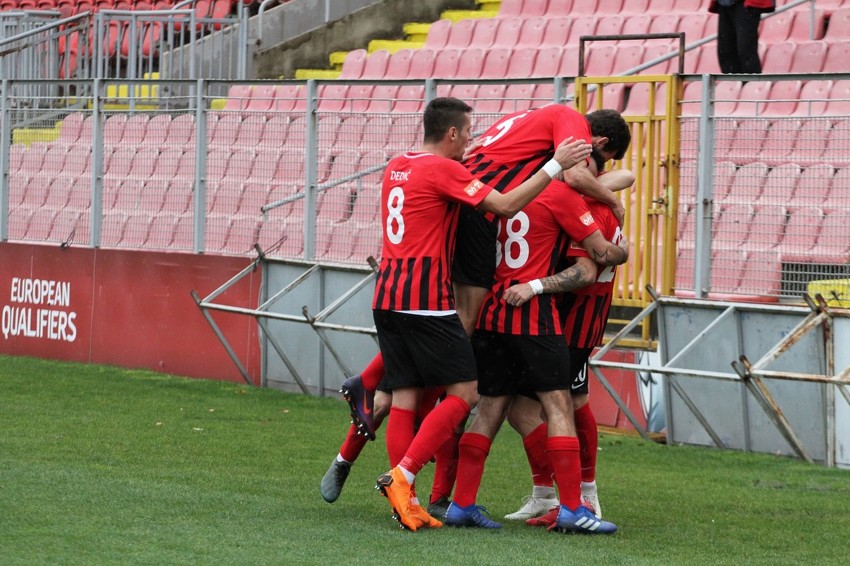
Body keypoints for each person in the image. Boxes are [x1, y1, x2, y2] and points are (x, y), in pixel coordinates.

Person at [339, 106, 631, 447]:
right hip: (486, 219)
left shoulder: (526, 121)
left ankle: (364, 418)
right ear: (597, 140)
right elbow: (574, 183)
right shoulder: (569, 132)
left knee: (415, 389)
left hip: (419, 260)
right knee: (467, 341)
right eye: (601, 158)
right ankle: (577, 494)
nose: (598, 169)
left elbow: (607, 178)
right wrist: (612, 203)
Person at [372, 97, 593, 532]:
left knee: (403, 396)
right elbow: (506, 206)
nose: (472, 141)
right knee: (466, 393)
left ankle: (408, 496)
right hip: (425, 301)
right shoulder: (446, 169)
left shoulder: (397, 163)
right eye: (469, 132)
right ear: (452, 133)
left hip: (386, 297)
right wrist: (553, 165)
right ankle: (404, 476)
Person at [442, 156, 630, 534]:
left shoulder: (500, 197)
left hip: (491, 311)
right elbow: (593, 263)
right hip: (532, 313)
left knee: (491, 407)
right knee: (559, 405)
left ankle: (461, 503)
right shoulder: (561, 196)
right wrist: (539, 284)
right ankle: (575, 509)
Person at [501, 168, 635, 525]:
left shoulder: (587, 208)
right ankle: (546, 494)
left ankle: (585, 495)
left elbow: (591, 266)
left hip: (574, 324)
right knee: (522, 411)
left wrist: (535, 286)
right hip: (552, 324)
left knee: (573, 404)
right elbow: (623, 176)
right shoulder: (588, 196)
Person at [709, 0, 776, 74]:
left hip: (746, 4)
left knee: (745, 50)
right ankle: (733, 84)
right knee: (726, 51)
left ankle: (752, 83)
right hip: (725, 4)